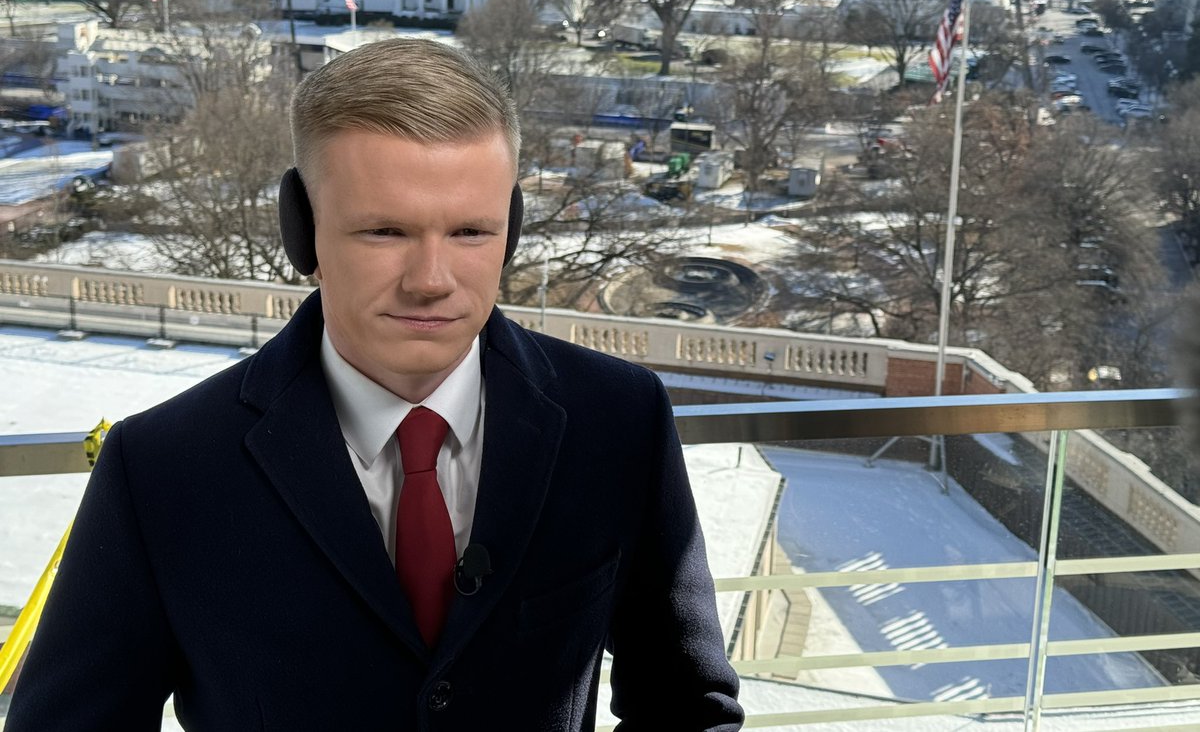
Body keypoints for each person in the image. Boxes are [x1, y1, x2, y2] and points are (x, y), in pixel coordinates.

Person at [7, 38, 743, 731]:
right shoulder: (162, 467)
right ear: (303, 230)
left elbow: (685, 703)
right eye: (385, 232)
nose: (431, 281)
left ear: (512, 229)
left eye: (470, 233)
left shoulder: (618, 419)